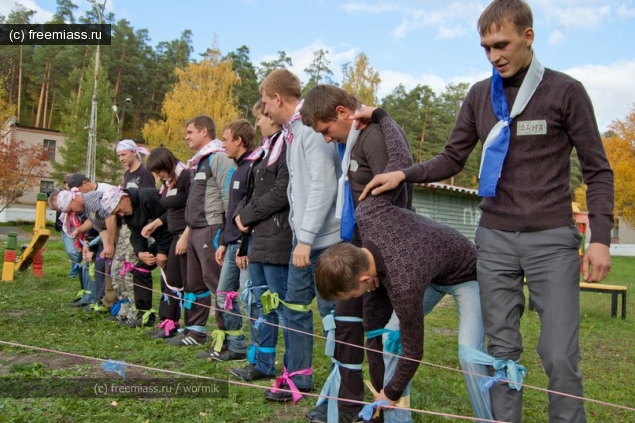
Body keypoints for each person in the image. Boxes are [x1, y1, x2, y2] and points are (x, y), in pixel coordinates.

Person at [358, 1, 614, 421]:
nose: (495, 56)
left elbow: (598, 170)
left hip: (551, 238)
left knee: (559, 355)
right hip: (493, 239)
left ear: (528, 37)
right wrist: (404, 174)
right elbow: (452, 158)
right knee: (499, 352)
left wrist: (600, 238)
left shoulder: (566, 91)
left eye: (502, 44)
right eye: (486, 48)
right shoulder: (480, 94)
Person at [302, 87, 491, 423]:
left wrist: (389, 394)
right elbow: (399, 167)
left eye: (356, 292)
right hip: (429, 270)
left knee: (470, 356)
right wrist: (381, 115)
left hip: (467, 274)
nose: (363, 295)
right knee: (390, 337)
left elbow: (415, 352)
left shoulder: (402, 283)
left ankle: (492, 419)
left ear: (364, 278)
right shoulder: (367, 212)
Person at [299, 84, 408, 423]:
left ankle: (383, 414)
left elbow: (396, 198)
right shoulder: (351, 143)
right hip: (355, 250)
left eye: (326, 130)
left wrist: (378, 260)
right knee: (345, 326)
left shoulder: (375, 137)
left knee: (377, 337)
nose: (327, 139)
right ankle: (347, 410)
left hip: (376, 258)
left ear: (342, 114)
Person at [258, 69, 340, 402]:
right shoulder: (292, 131)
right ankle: (298, 376)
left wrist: (305, 238)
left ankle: (341, 382)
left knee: (332, 314)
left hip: (325, 241)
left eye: (266, 102)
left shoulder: (309, 128)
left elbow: (325, 184)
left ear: (278, 98)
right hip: (303, 239)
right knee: (293, 307)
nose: (265, 110)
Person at [229, 100, 292, 383]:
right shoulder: (263, 153)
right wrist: (243, 224)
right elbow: (251, 193)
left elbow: (281, 192)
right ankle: (262, 363)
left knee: (277, 306)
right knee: (257, 303)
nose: (257, 124)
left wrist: (248, 214)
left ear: (273, 117)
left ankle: (293, 368)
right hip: (257, 238)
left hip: (278, 239)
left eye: (260, 118)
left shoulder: (287, 148)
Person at [165, 116, 235, 348]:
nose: (186, 137)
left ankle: (229, 337)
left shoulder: (219, 158)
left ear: (204, 131)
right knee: (194, 284)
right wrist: (187, 231)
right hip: (195, 230)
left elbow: (229, 196)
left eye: (190, 132)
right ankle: (195, 331)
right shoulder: (198, 162)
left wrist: (227, 233)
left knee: (217, 283)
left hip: (211, 229)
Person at [196, 119, 255, 361]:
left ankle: (259, 351)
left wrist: (243, 245)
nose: (223, 144)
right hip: (230, 242)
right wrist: (223, 241)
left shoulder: (252, 168)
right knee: (223, 295)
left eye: (226, 139)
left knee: (248, 299)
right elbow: (232, 211)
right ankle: (237, 346)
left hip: (243, 246)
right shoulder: (237, 167)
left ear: (239, 141)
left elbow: (249, 213)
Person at [101, 186, 173, 328]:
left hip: (174, 238)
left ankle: (170, 320)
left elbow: (170, 220)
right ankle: (144, 313)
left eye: (120, 209)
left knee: (169, 278)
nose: (121, 214)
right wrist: (141, 252)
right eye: (117, 214)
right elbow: (136, 235)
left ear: (124, 198)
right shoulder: (128, 214)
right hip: (158, 242)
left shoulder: (148, 197)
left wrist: (162, 251)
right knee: (139, 269)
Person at [144, 147, 192, 338]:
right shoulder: (169, 183)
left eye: (159, 171)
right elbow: (171, 210)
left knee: (188, 283)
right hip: (174, 235)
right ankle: (169, 322)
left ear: (167, 164)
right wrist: (156, 223)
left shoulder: (187, 176)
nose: (157, 176)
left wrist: (185, 236)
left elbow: (194, 207)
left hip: (187, 235)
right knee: (170, 281)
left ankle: (192, 329)